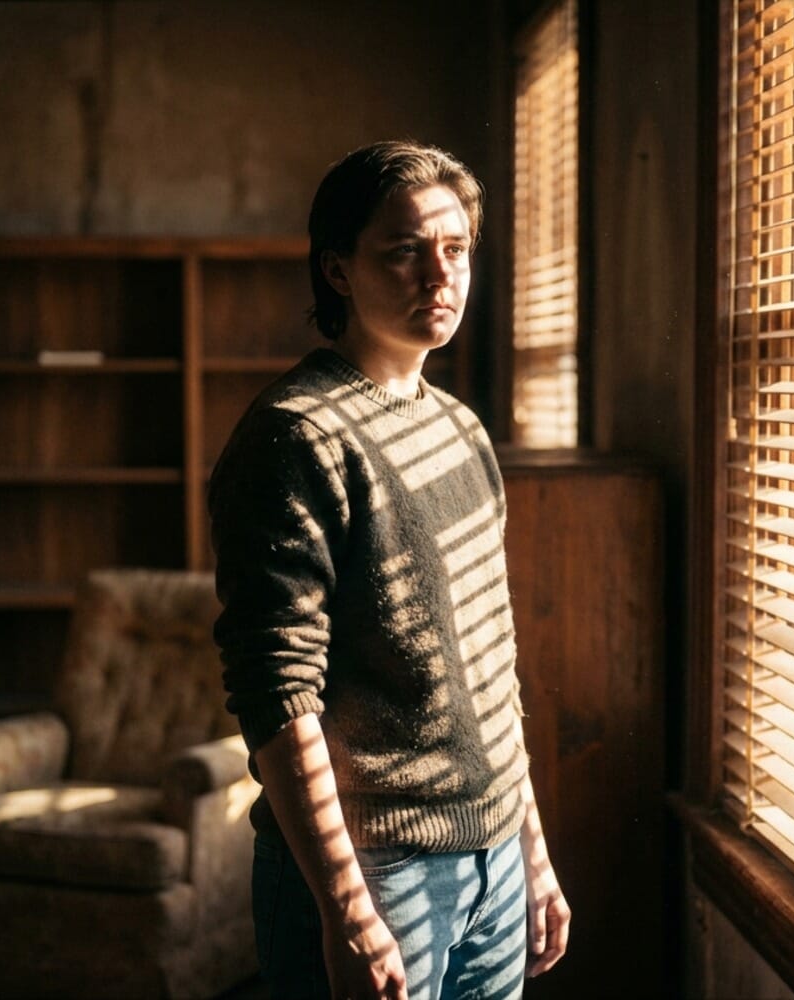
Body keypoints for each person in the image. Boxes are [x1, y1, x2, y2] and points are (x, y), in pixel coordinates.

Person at [209, 140, 569, 1000]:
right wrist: (346, 905)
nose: (438, 276)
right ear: (337, 271)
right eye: (404, 251)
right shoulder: (295, 438)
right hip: (379, 869)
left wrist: (533, 852)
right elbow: (276, 691)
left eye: (455, 249)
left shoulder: (460, 430)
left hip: (494, 866)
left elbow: (487, 668)